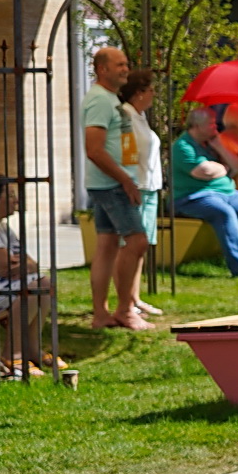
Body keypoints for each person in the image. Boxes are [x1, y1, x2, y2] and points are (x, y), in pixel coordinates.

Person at [83, 47, 153, 331]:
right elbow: (94, 149)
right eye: (119, 65)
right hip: (112, 184)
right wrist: (125, 180)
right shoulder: (100, 100)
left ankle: (101, 314)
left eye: (126, 64)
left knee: (108, 246)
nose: (126, 69)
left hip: (109, 183)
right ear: (102, 69)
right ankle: (125, 310)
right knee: (137, 242)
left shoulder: (109, 99)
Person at [0, 175, 55, 373]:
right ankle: (13, 354)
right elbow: (5, 267)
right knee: (34, 287)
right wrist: (23, 265)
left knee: (43, 283)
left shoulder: (1, 226)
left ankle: (30, 349)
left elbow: (30, 263)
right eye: (11, 195)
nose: (17, 201)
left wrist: (25, 264)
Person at [172, 108, 238, 278]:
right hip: (194, 196)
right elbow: (203, 171)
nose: (216, 127)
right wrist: (225, 168)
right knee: (224, 213)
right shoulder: (182, 146)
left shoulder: (212, 143)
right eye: (211, 124)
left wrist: (220, 148)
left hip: (228, 193)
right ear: (196, 126)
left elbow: (236, 167)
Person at [117, 70, 165, 318]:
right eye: (150, 90)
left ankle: (135, 298)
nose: (153, 95)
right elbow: (125, 151)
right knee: (133, 245)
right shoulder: (126, 115)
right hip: (137, 186)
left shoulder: (140, 116)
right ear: (138, 93)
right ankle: (126, 302)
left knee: (141, 248)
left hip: (149, 185)